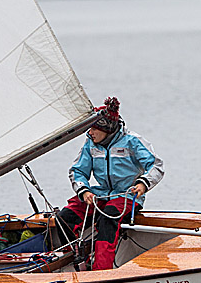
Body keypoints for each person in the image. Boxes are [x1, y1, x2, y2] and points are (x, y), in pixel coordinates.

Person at [55, 97, 164, 270]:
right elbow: (78, 171)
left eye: (93, 129)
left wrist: (143, 184)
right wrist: (84, 191)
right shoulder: (90, 143)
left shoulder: (132, 141)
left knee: (108, 217)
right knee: (63, 218)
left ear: (106, 128)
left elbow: (156, 165)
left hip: (127, 196)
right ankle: (73, 259)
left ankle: (101, 270)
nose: (89, 133)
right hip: (100, 194)